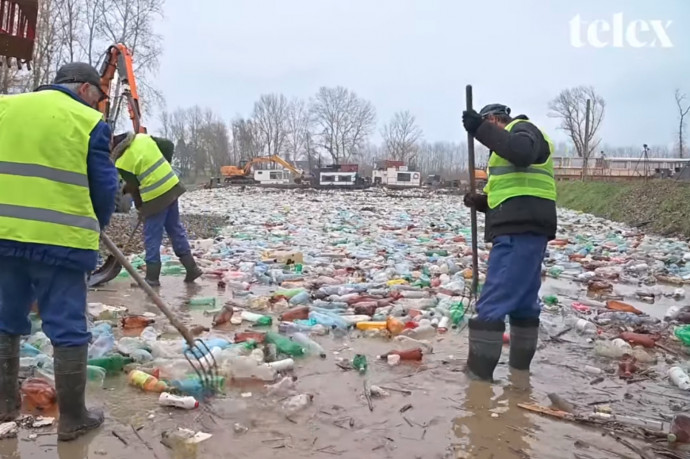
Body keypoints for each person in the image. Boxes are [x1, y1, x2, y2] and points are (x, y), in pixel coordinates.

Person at [0, 63, 119, 440]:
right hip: (61, 242)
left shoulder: (6, 107)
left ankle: (4, 407)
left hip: (4, 236)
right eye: (99, 97)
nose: (99, 105)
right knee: (67, 328)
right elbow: (104, 189)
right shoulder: (87, 123)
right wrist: (95, 227)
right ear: (85, 89)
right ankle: (73, 419)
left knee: (4, 321)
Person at [461, 103, 557, 381]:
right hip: (526, 226)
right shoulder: (503, 152)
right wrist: (479, 201)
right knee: (524, 303)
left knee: (492, 302)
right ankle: (519, 377)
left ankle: (477, 383)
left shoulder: (524, 130)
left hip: (518, 230)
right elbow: (501, 197)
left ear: (494, 120)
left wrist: (479, 128)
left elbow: (522, 152)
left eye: (489, 125)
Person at [111, 132, 202, 286]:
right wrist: (164, 167)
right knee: (175, 228)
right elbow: (168, 145)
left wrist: (141, 209)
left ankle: (152, 278)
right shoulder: (142, 138)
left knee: (152, 235)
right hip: (172, 185)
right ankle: (192, 268)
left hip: (155, 195)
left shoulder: (121, 163)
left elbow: (135, 188)